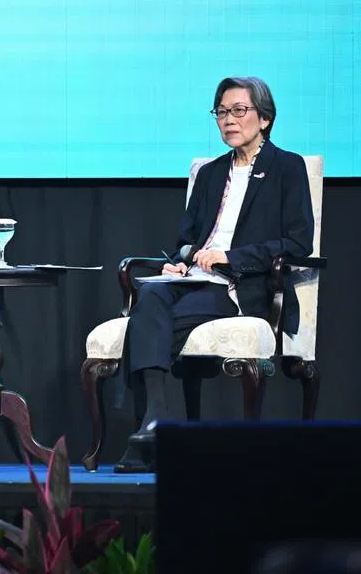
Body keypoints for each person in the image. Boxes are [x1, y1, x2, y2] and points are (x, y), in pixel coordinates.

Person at [114, 76, 315, 473]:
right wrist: (178, 259)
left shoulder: (287, 168)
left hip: (241, 285)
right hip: (193, 279)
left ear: (265, 119)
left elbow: (298, 242)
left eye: (239, 110)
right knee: (150, 294)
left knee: (147, 325)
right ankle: (156, 422)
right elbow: (188, 239)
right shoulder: (209, 174)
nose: (229, 120)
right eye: (222, 112)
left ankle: (150, 434)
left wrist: (231, 257)